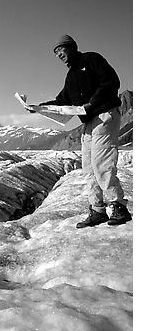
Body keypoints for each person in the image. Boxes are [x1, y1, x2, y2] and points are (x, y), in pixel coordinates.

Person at [25, 34, 132, 228]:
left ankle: (117, 206)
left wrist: (92, 103)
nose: (59, 55)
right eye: (56, 52)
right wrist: (37, 107)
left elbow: (111, 82)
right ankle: (98, 209)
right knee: (88, 168)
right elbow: (61, 101)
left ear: (72, 47)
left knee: (102, 163)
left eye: (61, 49)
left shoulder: (91, 59)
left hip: (104, 114)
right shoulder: (71, 76)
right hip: (89, 122)